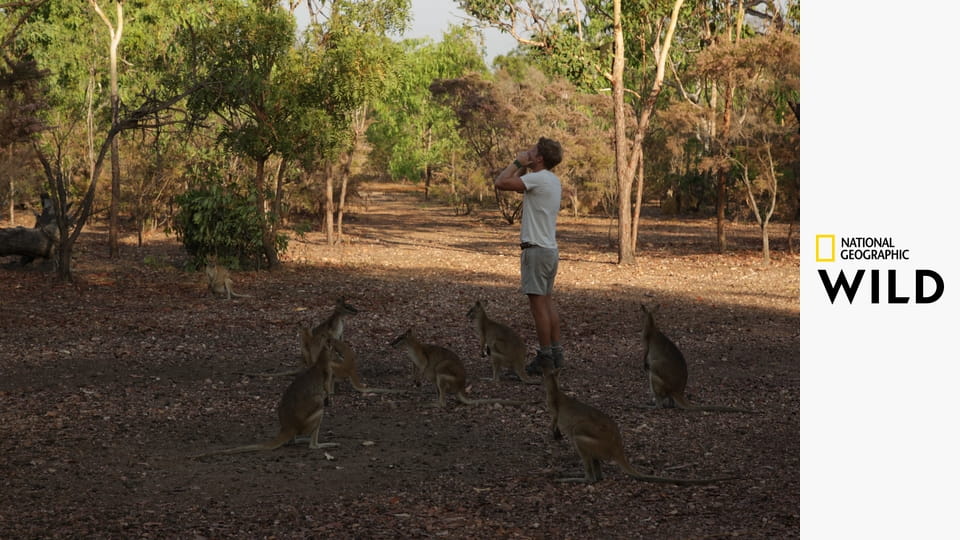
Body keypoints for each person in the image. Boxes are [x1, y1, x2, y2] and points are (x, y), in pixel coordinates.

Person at [494, 137, 564, 374]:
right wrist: (525, 165)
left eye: (533, 150)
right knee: (546, 302)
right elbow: (519, 183)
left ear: (540, 157)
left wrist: (517, 161)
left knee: (538, 307)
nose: (528, 151)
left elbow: (501, 182)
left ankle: (545, 357)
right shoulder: (551, 181)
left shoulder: (538, 178)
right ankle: (556, 353)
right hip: (549, 250)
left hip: (535, 251)